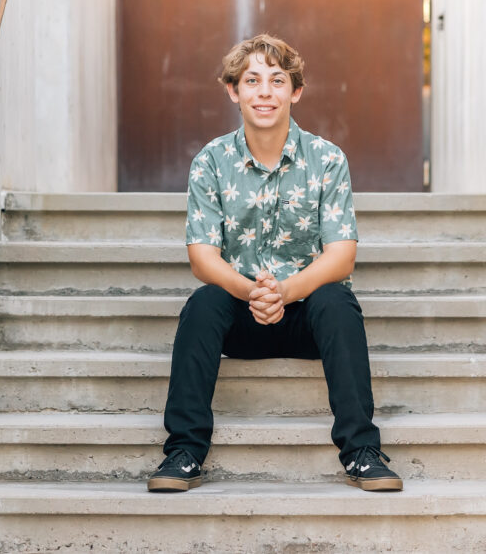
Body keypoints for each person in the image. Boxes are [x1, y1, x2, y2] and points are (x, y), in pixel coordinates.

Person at [147, 33, 403, 493]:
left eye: (277, 80)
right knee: (203, 303)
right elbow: (202, 257)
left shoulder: (327, 159)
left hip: (307, 314)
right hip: (240, 313)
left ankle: (362, 452)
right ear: (233, 90)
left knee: (338, 300)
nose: (264, 92)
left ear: (296, 91)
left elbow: (341, 255)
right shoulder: (211, 162)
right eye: (252, 80)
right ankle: (183, 453)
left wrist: (287, 292)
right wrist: (253, 293)